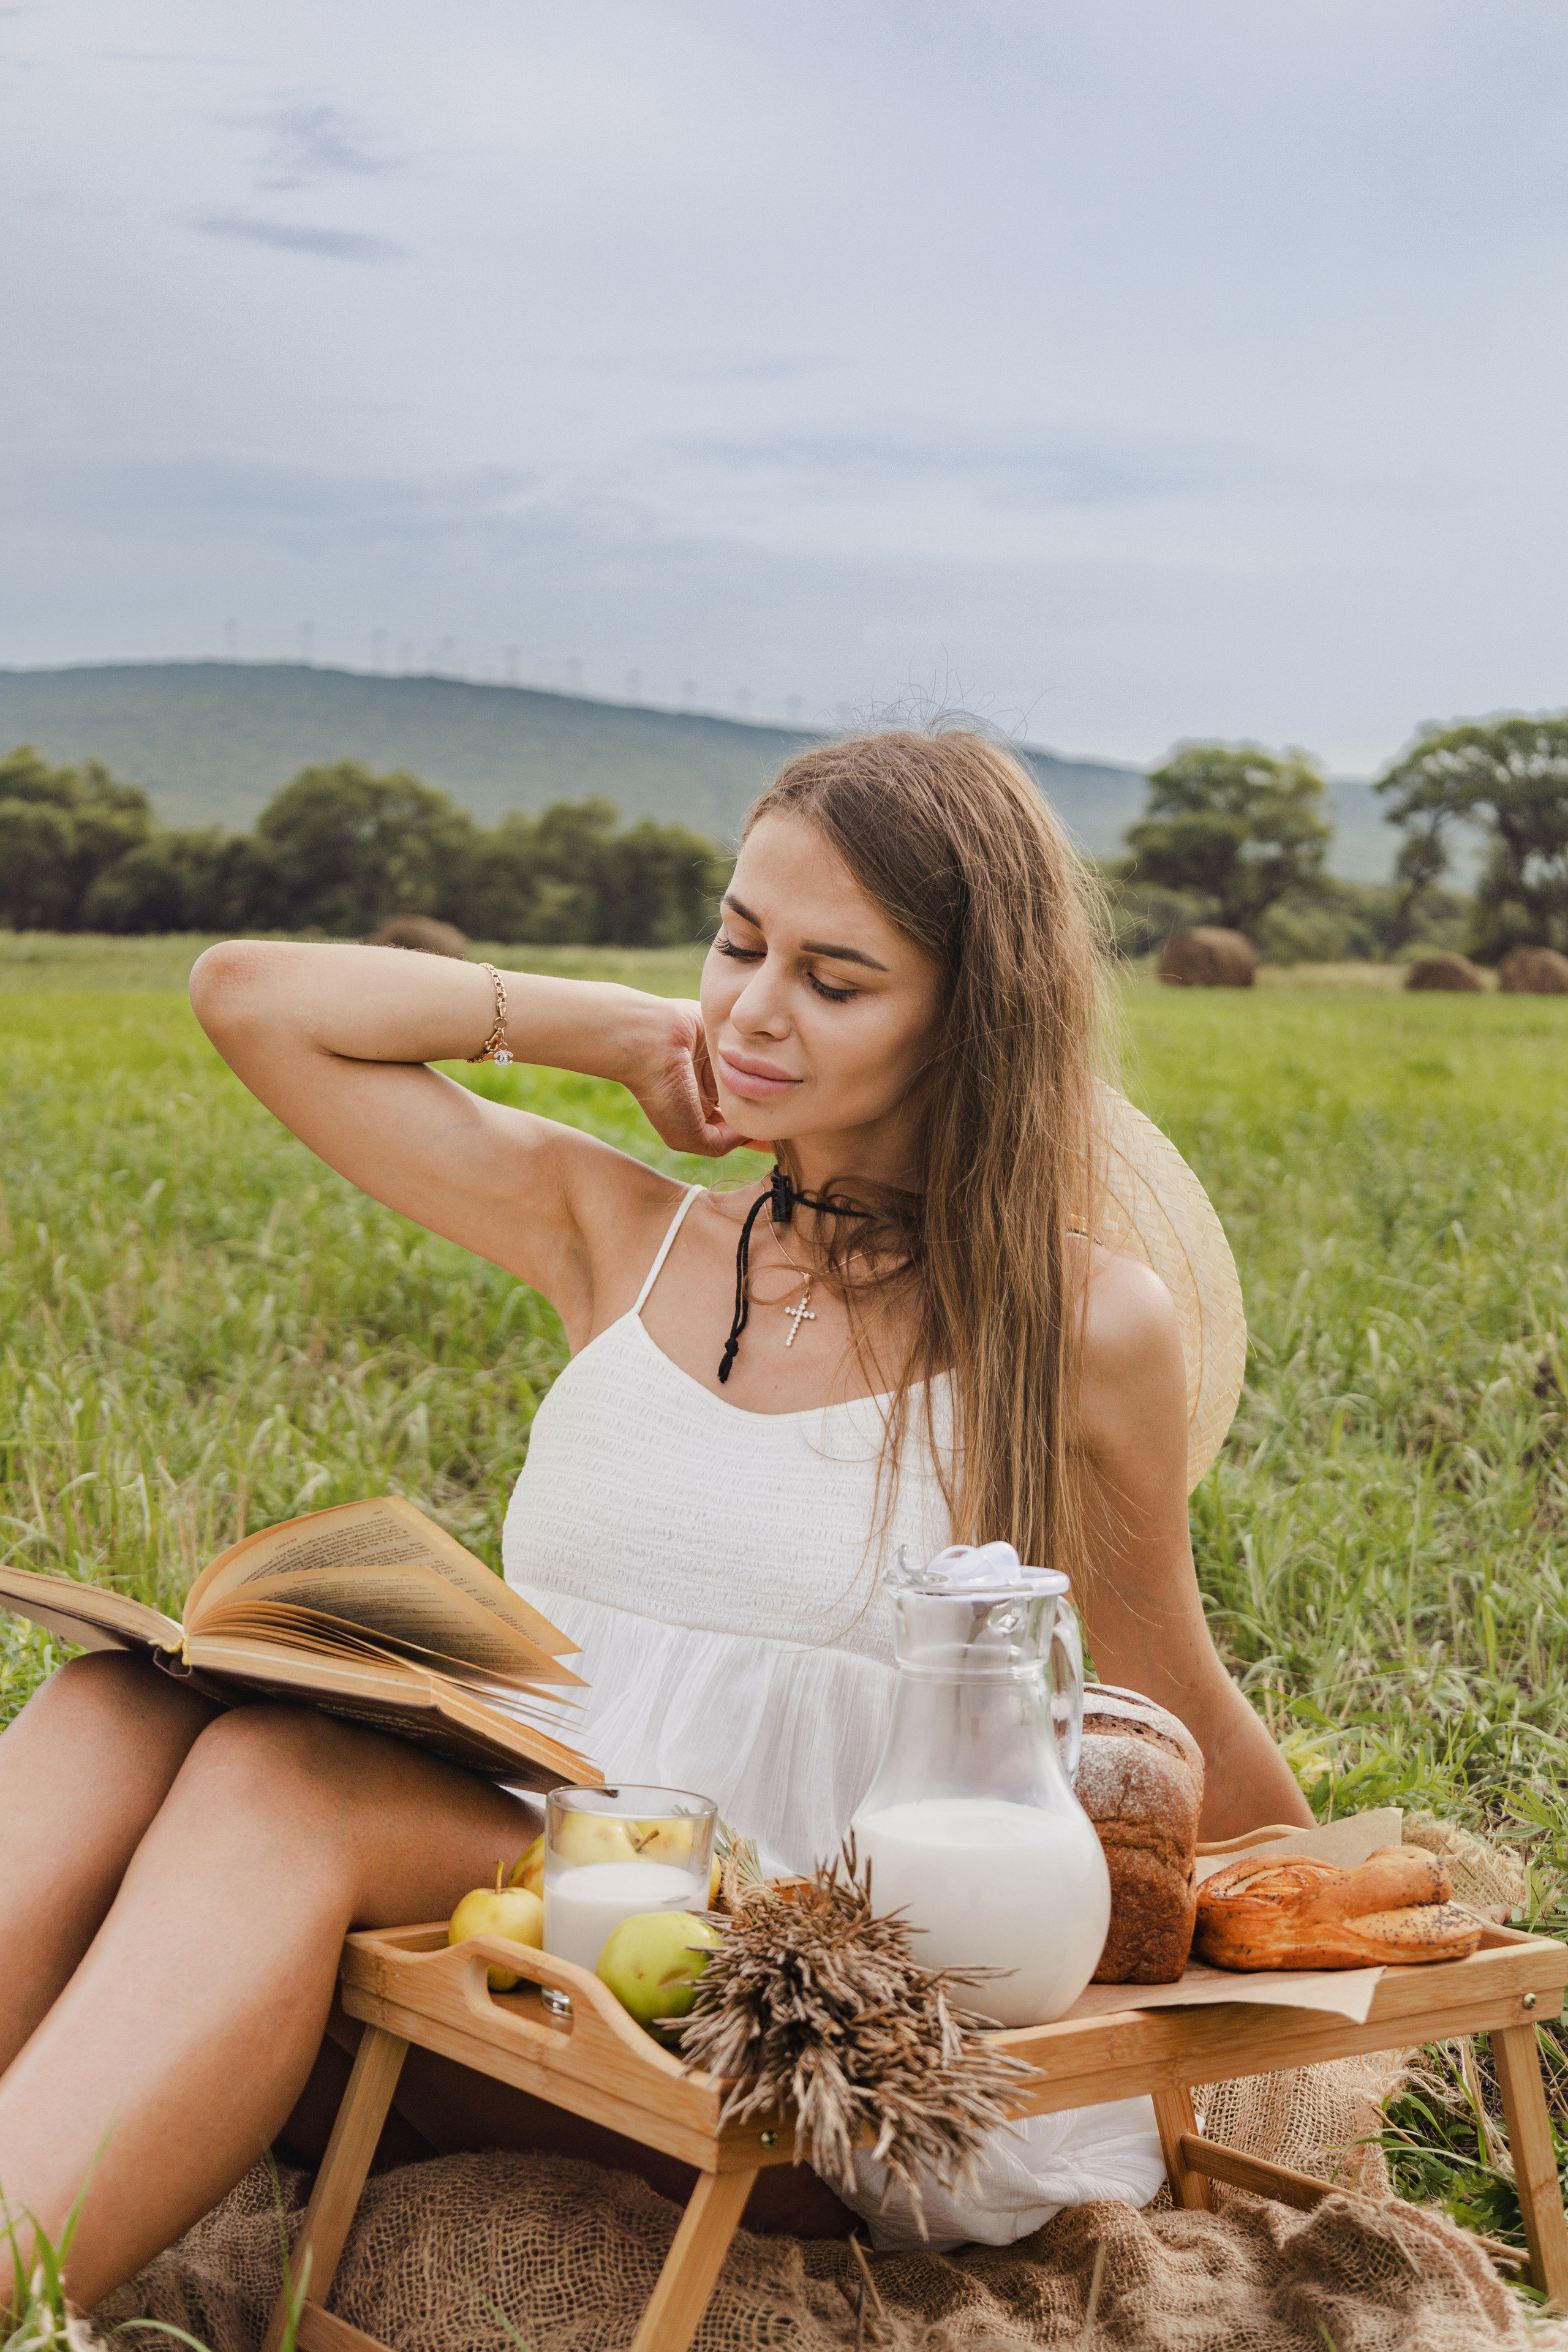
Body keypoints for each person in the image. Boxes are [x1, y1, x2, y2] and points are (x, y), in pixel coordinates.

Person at [0, 729, 1311, 2307]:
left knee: (288, 1782)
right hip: (522, 1918)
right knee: (113, 1703)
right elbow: (249, 998)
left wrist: (1339, 1920)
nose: (756, 1007)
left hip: (784, 2025)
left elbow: (1161, 1704)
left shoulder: (1075, 1326)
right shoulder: (621, 1234)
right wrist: (623, 1030)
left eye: (837, 980)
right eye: (738, 939)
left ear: (971, 1021)